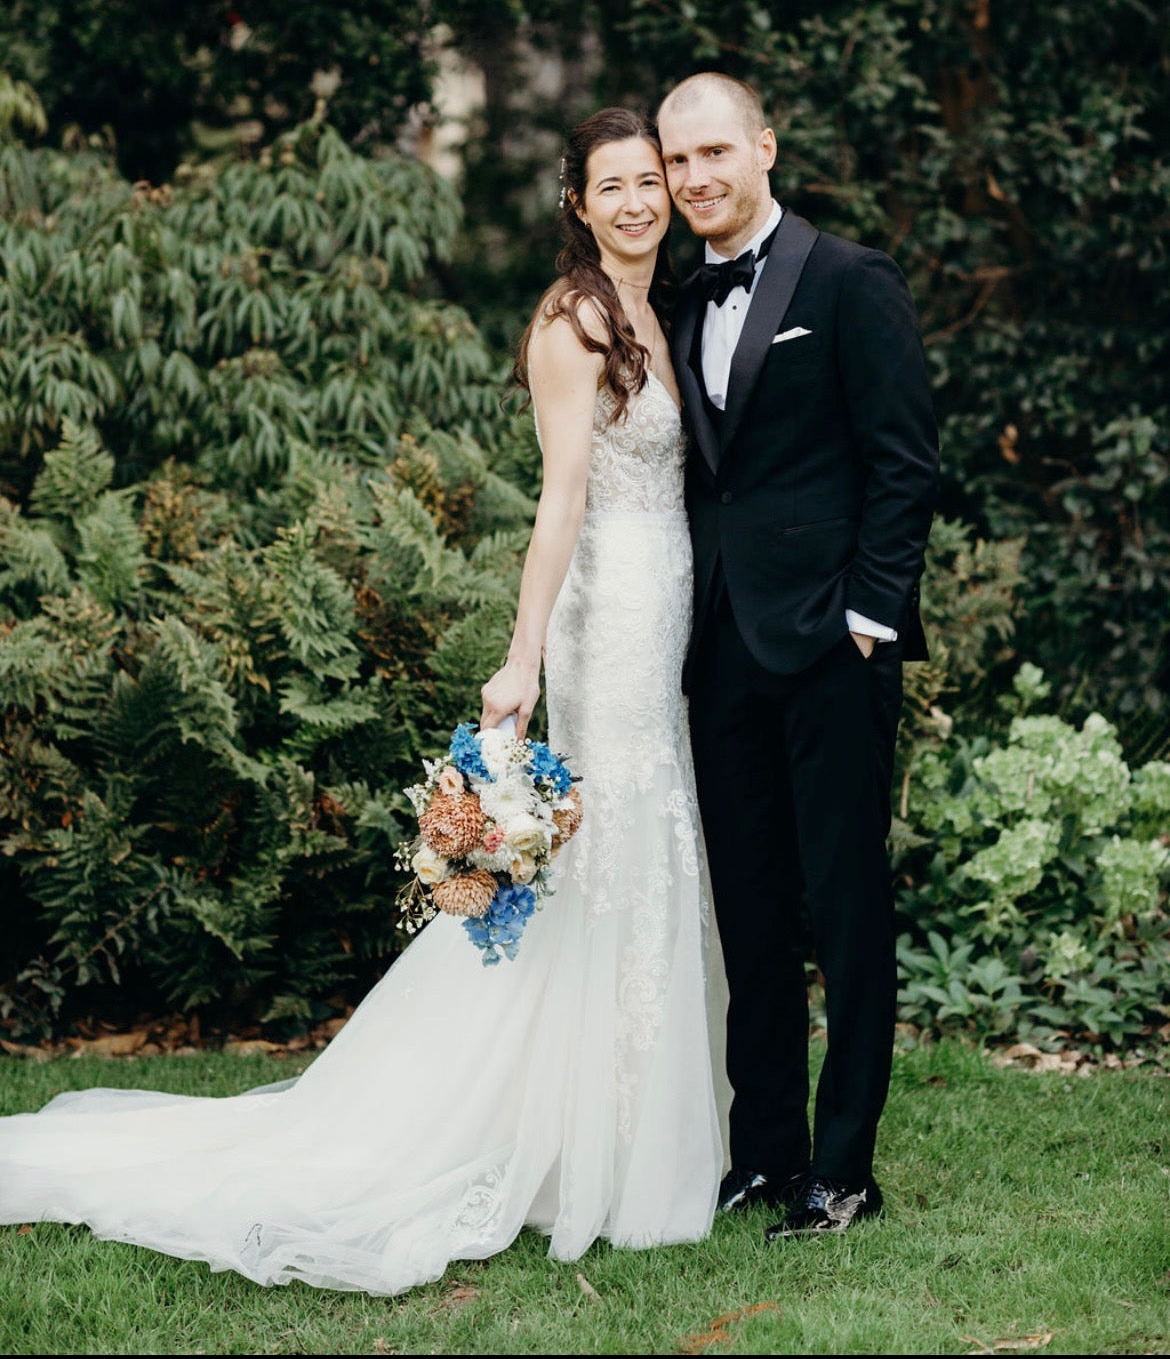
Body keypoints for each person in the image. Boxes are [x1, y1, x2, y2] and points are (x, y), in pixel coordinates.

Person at [0, 109, 726, 1294]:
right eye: (617, 186)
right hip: (611, 614)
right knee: (613, 842)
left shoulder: (662, 306)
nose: (643, 201)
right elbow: (558, 501)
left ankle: (647, 1120)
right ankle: (595, 1149)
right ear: (578, 205)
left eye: (653, 180)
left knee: (653, 837)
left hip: (673, 599)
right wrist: (522, 657)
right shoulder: (573, 318)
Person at [656, 73, 939, 1237]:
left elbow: (905, 462)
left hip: (831, 645)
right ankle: (763, 1152)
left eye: (715, 152)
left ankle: (844, 1167)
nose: (695, 179)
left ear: (765, 148)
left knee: (844, 901)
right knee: (752, 907)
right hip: (717, 649)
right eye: (677, 163)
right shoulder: (677, 295)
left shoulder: (850, 280)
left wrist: (869, 618)